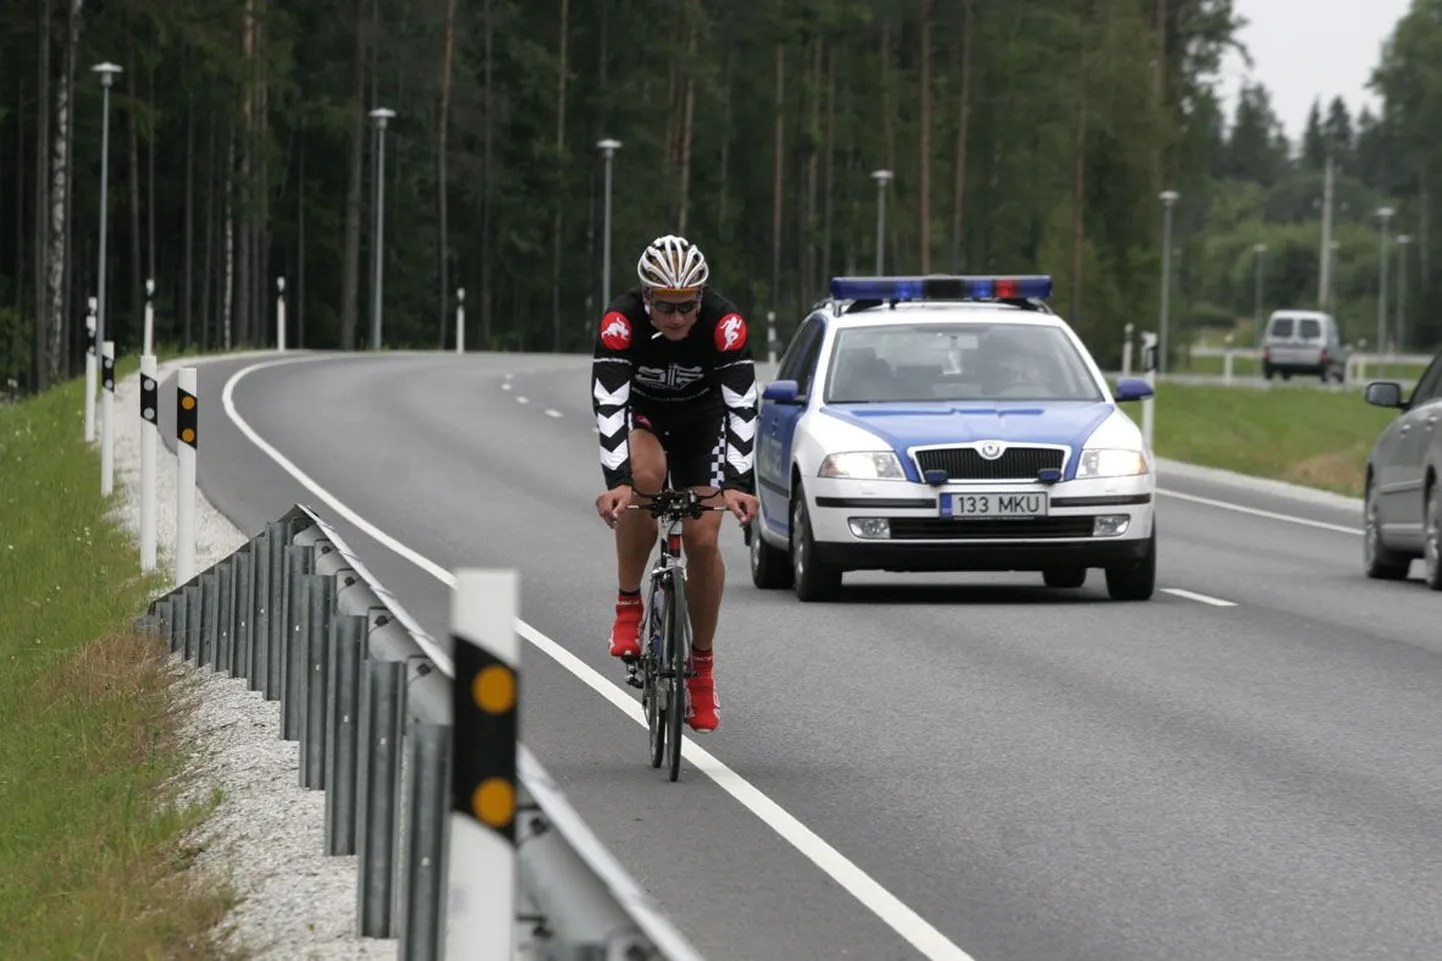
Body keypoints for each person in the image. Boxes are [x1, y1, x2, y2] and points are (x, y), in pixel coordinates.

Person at [591, 234, 759, 733]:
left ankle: (702, 672)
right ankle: (628, 602)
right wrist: (616, 481)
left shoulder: (724, 325)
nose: (679, 317)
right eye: (666, 306)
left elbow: (743, 405)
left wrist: (737, 481)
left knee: (705, 542)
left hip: (704, 424)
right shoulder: (620, 324)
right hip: (645, 418)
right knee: (644, 480)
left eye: (688, 306)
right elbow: (608, 403)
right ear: (646, 298)